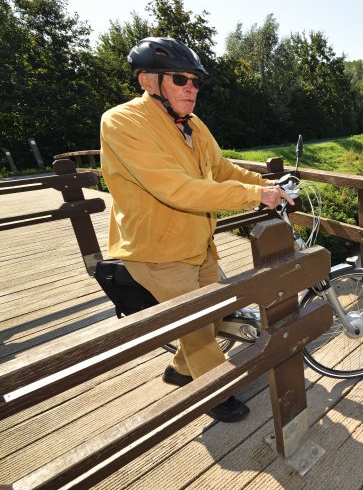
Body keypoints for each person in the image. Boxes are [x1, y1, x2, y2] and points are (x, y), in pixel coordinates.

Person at [100, 37, 293, 423]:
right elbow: (176, 188)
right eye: (180, 79)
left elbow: (221, 169)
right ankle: (214, 392)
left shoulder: (192, 124)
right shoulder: (122, 122)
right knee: (198, 326)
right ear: (148, 81)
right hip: (158, 253)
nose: (191, 88)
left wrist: (267, 184)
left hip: (198, 243)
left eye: (196, 81)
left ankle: (180, 370)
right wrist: (254, 195)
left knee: (215, 313)